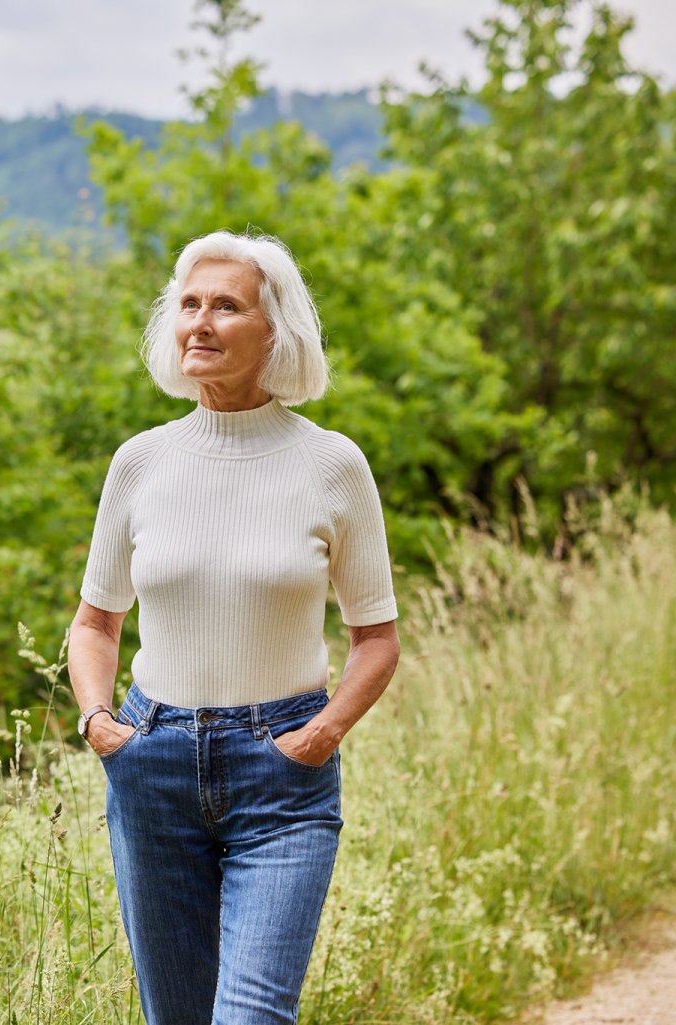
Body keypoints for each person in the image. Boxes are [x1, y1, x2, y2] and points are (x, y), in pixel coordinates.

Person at [69, 230, 402, 1024]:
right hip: (152, 763)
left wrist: (320, 735)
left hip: (282, 776)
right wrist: (97, 719)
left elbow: (377, 640)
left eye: (226, 305)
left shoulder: (333, 465)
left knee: (251, 1015)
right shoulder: (140, 462)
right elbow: (94, 621)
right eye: (189, 304)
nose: (201, 322)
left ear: (275, 331)